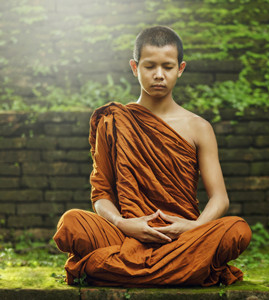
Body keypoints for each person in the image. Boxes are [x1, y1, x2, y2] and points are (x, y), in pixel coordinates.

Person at [53, 25, 252, 287]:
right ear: (135, 67)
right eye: (150, 66)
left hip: (181, 238)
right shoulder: (113, 121)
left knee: (237, 229)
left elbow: (219, 198)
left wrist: (191, 227)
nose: (159, 75)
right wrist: (123, 223)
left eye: (167, 67)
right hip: (126, 234)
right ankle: (185, 271)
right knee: (71, 223)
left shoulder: (199, 128)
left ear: (180, 69)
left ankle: (110, 269)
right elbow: (101, 195)